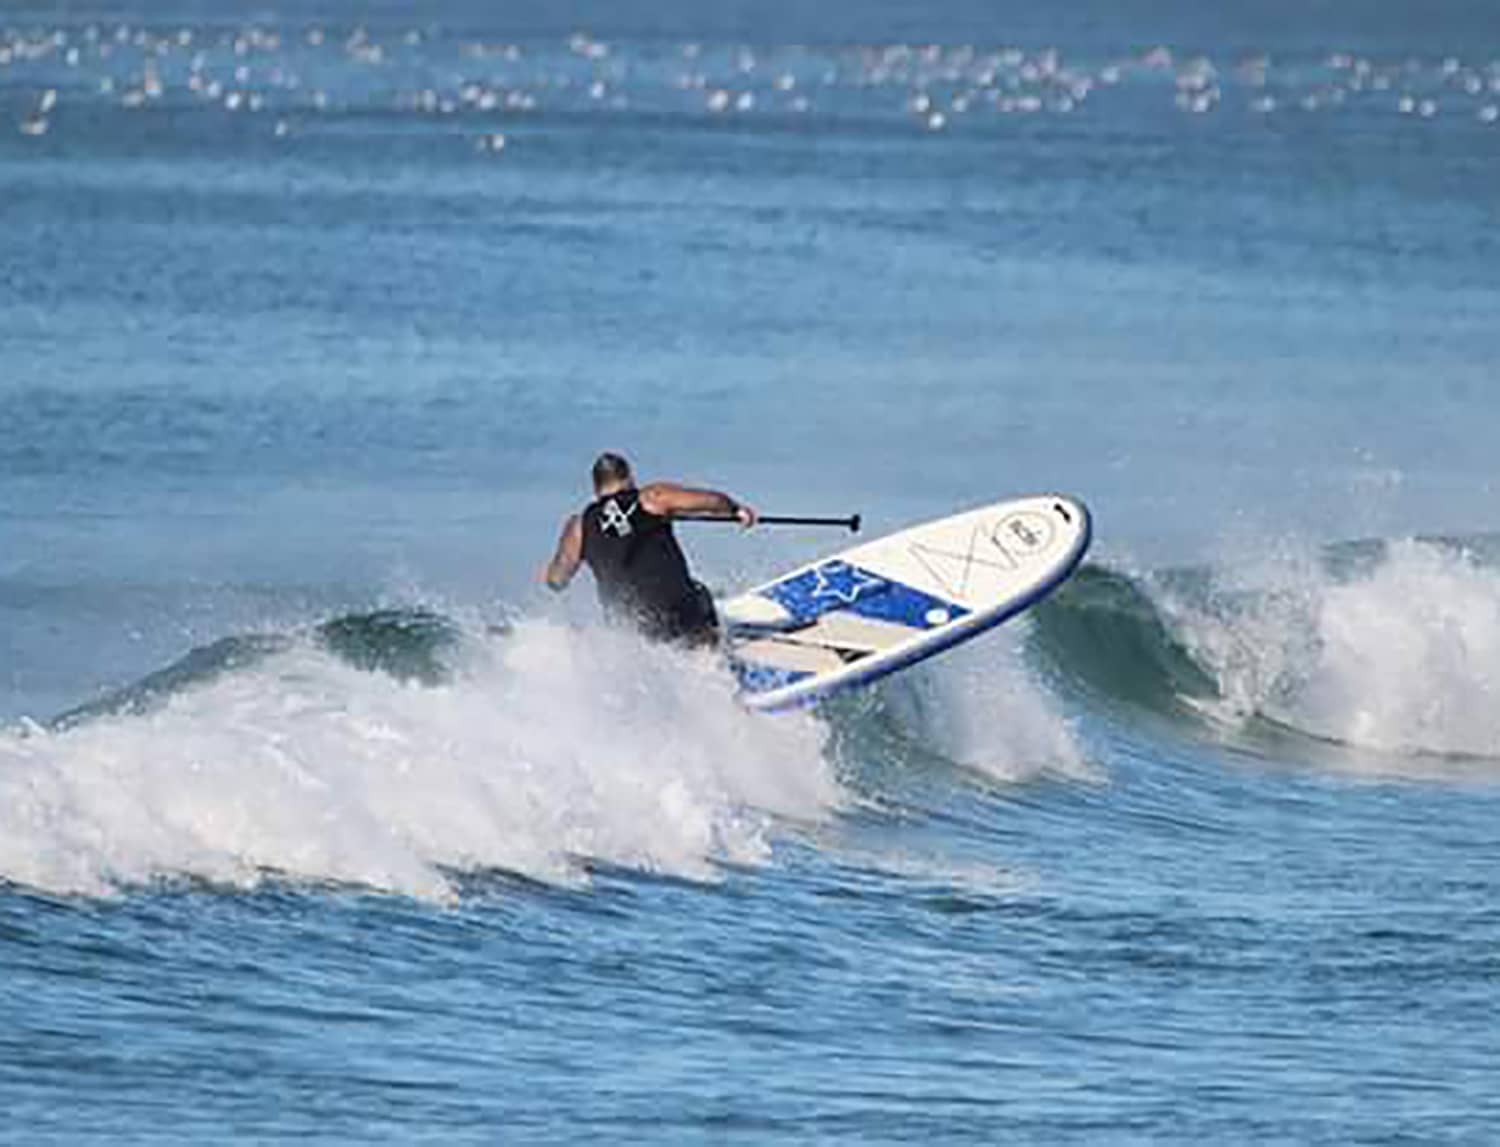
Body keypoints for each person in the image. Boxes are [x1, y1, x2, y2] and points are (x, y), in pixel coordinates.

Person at [541, 452, 757, 646]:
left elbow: (556, 580)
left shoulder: (579, 526)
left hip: (630, 627)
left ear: (596, 489)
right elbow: (710, 501)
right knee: (701, 593)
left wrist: (551, 575)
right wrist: (735, 509)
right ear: (629, 478)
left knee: (627, 624)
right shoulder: (651, 498)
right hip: (675, 613)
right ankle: (713, 653)